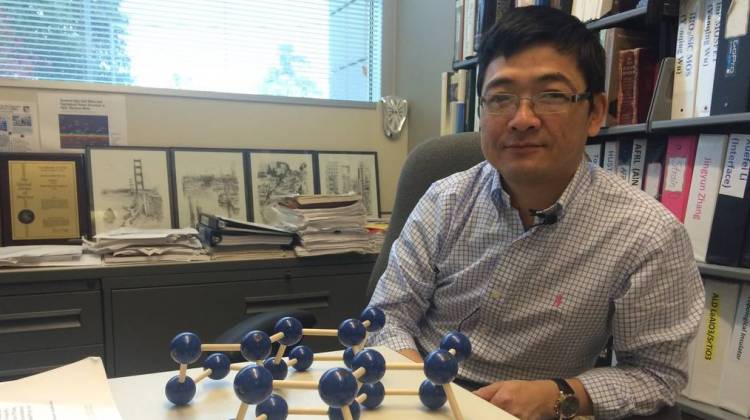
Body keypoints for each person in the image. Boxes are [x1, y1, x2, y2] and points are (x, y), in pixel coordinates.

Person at [368, 6, 704, 419]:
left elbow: (656, 375)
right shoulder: (445, 200)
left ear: (595, 113)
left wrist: (560, 394)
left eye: (551, 96)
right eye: (501, 98)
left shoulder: (647, 235)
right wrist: (419, 383)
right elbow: (387, 316)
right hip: (423, 400)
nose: (522, 119)